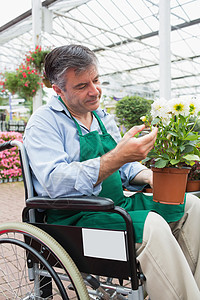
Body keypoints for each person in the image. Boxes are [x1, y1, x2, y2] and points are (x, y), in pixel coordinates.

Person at [23, 44, 200, 299]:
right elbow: (55, 181)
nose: (94, 91)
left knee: (191, 206)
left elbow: (125, 167)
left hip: (114, 208)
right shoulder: (44, 122)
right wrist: (117, 156)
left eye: (96, 80)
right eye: (82, 86)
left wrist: (150, 176)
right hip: (74, 224)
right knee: (151, 225)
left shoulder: (102, 117)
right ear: (58, 90)